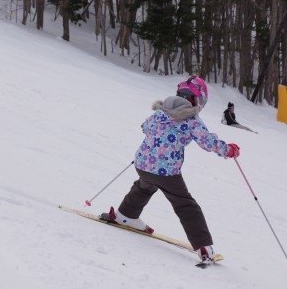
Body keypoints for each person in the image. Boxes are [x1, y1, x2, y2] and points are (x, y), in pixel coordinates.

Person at [99, 76, 240, 262]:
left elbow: (145, 126)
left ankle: (126, 215)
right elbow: (208, 142)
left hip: (143, 164)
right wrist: (228, 150)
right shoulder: (191, 120)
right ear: (198, 100)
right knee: (185, 204)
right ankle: (203, 246)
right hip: (166, 172)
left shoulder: (161, 112)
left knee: (144, 186)